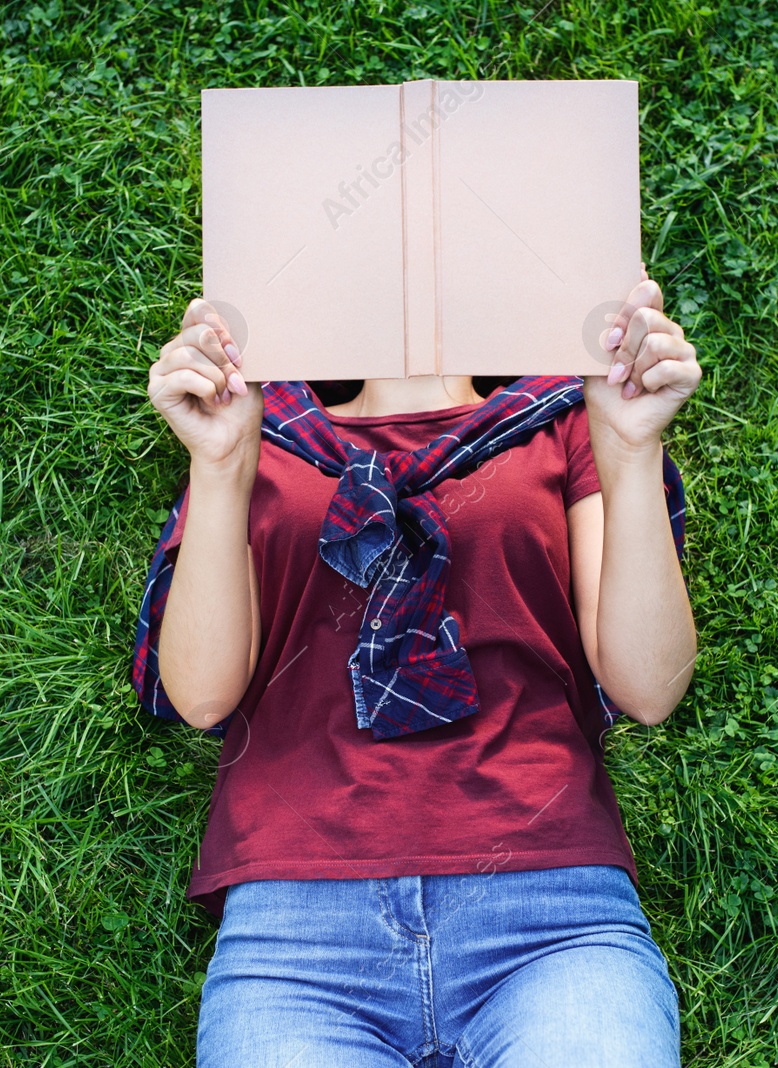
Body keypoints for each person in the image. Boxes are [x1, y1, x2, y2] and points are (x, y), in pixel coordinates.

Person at [136, 274, 701, 1067]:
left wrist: (632, 449)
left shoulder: (567, 418)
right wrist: (221, 461)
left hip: (551, 914)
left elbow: (650, 685)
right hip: (301, 938)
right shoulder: (259, 425)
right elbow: (201, 695)